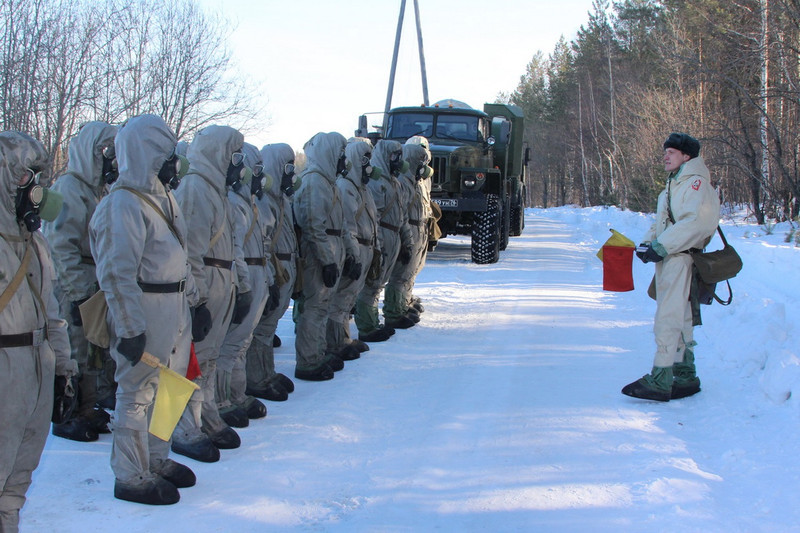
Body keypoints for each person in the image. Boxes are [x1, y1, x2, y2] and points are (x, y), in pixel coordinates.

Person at [89, 114, 201, 505]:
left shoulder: (164, 198)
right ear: (149, 155)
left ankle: (156, 457)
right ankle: (131, 474)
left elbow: (183, 253)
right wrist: (130, 327)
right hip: (145, 306)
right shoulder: (122, 204)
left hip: (174, 306)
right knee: (136, 393)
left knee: (170, 389)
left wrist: (194, 302)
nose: (175, 163)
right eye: (167, 155)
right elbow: (116, 274)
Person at [0, 131, 76, 530]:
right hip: (5, 368)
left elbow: (53, 312)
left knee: (19, 474)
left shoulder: (34, 241)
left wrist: (63, 370)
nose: (37, 188)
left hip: (37, 365)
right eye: (27, 176)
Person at [623, 132, 720, 402]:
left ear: (686, 156)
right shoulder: (674, 184)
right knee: (681, 316)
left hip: (682, 258)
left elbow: (694, 223)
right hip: (672, 257)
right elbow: (661, 223)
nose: (665, 155)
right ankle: (685, 374)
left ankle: (661, 377)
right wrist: (647, 243)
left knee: (668, 316)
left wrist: (661, 247)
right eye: (665, 151)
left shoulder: (695, 184)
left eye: (672, 152)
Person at [172, 125, 249, 459]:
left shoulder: (217, 190)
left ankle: (205, 414)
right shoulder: (195, 188)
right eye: (234, 156)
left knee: (208, 358)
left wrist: (240, 287)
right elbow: (190, 252)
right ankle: (181, 427)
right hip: (205, 284)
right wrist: (197, 300)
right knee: (188, 361)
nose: (238, 165)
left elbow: (233, 244)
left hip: (222, 280)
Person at [43, 121, 117, 442]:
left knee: (91, 353)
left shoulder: (93, 190)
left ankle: (86, 408)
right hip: (73, 284)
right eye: (107, 153)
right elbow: (60, 245)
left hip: (91, 283)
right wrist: (77, 294)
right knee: (74, 351)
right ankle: (68, 415)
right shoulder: (69, 189)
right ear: (93, 152)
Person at [292, 131, 356, 381]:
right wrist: (327, 260)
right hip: (319, 253)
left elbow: (340, 224)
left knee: (323, 307)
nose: (344, 161)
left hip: (331, 248)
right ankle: (308, 360)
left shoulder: (328, 182)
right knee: (314, 307)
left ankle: (317, 352)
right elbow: (312, 225)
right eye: (341, 155)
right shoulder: (315, 182)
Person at [216, 142, 272, 425]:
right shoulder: (234, 204)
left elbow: (262, 245)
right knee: (231, 343)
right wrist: (243, 286)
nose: (260, 176)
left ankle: (236, 393)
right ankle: (221, 399)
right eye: (255, 169)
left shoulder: (251, 204)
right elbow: (236, 247)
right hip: (245, 274)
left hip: (257, 273)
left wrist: (269, 277)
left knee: (243, 341)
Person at [245, 143, 297, 400]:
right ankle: (255, 376)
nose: (291, 174)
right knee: (262, 327)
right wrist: (269, 280)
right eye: (287, 168)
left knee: (270, 323)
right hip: (272, 268)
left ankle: (266, 371)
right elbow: (264, 242)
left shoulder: (280, 199)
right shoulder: (264, 202)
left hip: (283, 267)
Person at [326, 137, 379, 359]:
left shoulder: (362, 188)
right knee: (341, 299)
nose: (368, 163)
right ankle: (335, 342)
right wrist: (353, 255)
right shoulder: (346, 187)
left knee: (349, 298)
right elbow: (348, 223)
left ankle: (344, 338)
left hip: (365, 248)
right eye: (364, 158)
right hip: (355, 248)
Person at [354, 139, 408, 341]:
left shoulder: (395, 182)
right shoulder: (376, 183)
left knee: (381, 281)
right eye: (394, 156)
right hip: (382, 234)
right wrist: (378, 244)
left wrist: (405, 241)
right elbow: (373, 215)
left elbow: (401, 215)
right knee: (372, 282)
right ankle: (367, 326)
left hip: (393, 235)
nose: (398, 161)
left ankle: (374, 321)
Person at [382, 139, 432, 328]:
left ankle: (401, 305)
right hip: (408, 228)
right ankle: (394, 311)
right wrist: (406, 239)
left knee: (409, 271)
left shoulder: (413, 181)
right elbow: (402, 212)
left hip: (417, 228)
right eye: (421, 163)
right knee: (400, 273)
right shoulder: (403, 182)